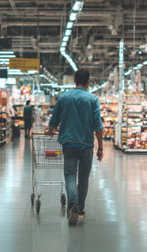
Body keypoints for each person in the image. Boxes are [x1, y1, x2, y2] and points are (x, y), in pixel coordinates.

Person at [45, 69, 104, 225]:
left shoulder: (63, 97)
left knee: (70, 176)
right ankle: (81, 209)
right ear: (88, 81)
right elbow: (98, 126)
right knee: (83, 178)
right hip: (86, 144)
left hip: (69, 143)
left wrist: (50, 131)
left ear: (74, 80)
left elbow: (53, 121)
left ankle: (73, 204)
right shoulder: (93, 100)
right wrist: (101, 148)